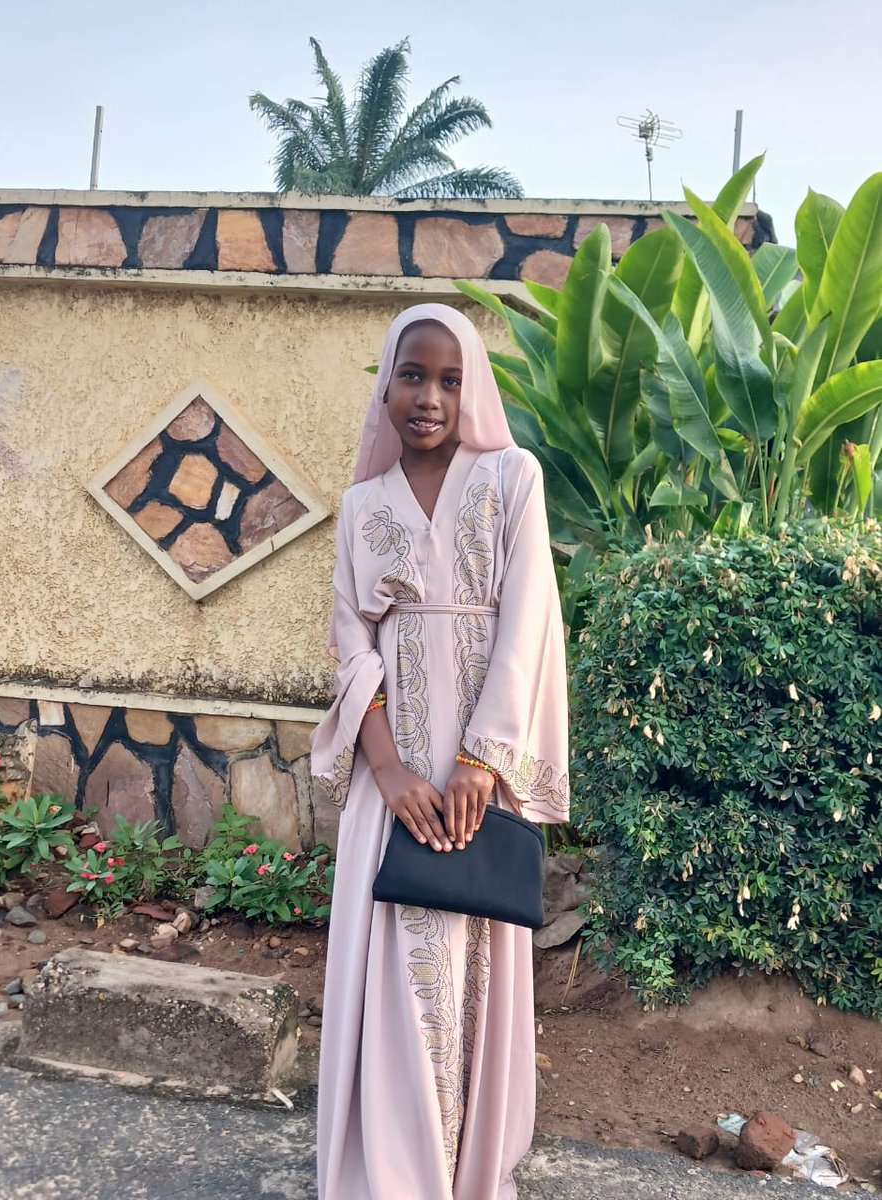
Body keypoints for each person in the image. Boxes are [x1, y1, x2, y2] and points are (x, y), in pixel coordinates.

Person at [311, 302, 569, 1200]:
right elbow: (351, 646)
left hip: (475, 775)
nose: (429, 397)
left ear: (474, 391)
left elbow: (529, 617)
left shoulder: (512, 478)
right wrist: (387, 771)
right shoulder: (360, 508)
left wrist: (481, 759)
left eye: (451, 380)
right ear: (385, 386)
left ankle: (465, 1168)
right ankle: (394, 1172)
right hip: (392, 780)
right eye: (413, 375)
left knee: (470, 950)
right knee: (391, 951)